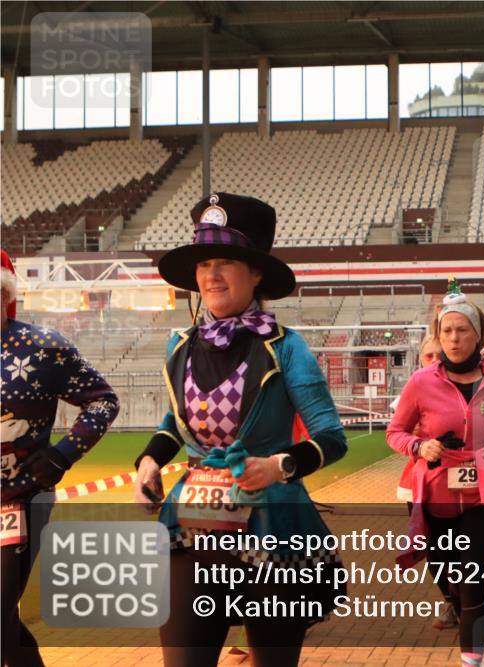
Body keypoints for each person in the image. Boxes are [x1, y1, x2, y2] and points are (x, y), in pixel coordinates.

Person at [132, 193, 348, 666]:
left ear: (256, 274)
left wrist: (280, 466)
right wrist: (149, 460)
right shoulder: (179, 345)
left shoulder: (286, 348)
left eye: (226, 261)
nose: (211, 274)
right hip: (192, 527)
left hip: (274, 531)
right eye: (204, 262)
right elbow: (175, 425)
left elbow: (331, 438)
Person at [387, 279, 484, 667]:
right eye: (446, 332)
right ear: (437, 337)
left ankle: (472, 660)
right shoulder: (421, 382)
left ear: (479, 334)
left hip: (483, 492)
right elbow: (395, 433)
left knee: (472, 578)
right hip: (435, 492)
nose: (453, 339)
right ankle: (455, 605)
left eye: (462, 330)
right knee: (444, 573)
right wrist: (420, 447)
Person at [2, 249, 120, 667]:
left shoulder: (43, 347)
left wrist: (62, 454)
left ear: (5, 295)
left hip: (20, 502)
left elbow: (103, 402)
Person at [391, 332, 458, 630]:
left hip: (461, 480)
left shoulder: (460, 389)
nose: (434, 360)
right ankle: (451, 600)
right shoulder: (413, 388)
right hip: (419, 479)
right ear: (420, 359)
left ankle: (465, 600)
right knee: (433, 548)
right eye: (428, 356)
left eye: (438, 355)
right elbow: (396, 433)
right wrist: (418, 444)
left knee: (463, 547)